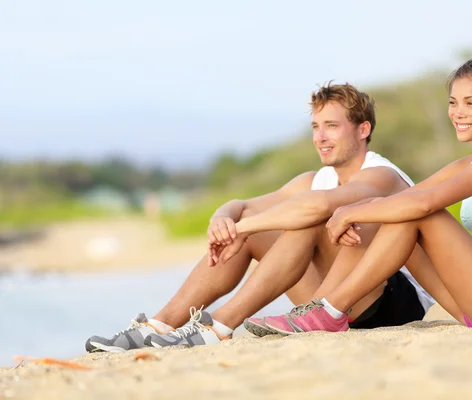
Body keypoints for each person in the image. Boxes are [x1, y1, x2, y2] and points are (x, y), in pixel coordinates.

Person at [85, 82, 434, 352]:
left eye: (331, 126)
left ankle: (219, 326)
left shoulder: (381, 174)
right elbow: (242, 204)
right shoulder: (315, 179)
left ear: (362, 129)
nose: (320, 137)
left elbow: (314, 208)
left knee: (304, 219)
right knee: (254, 227)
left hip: (389, 302)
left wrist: (241, 226)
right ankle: (160, 326)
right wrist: (223, 218)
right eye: (315, 127)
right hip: (332, 297)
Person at [261, 50, 472, 334]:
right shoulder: (466, 164)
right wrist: (350, 213)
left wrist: (350, 212)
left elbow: (424, 203)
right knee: (399, 208)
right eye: (453, 102)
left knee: (419, 213)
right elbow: (401, 199)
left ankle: (329, 310)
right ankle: (323, 308)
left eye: (470, 103)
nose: (458, 112)